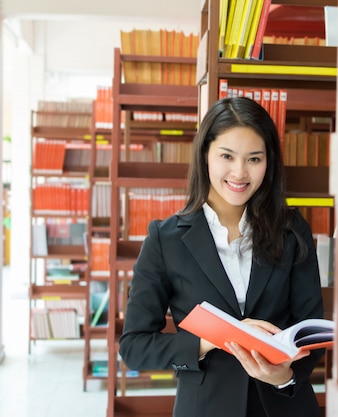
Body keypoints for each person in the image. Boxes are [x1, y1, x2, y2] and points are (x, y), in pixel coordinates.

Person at [119, 97, 325, 417]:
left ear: (268, 162)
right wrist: (215, 339)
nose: (240, 172)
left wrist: (283, 376)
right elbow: (134, 347)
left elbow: (308, 330)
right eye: (227, 156)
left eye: (254, 159)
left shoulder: (292, 231)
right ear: (205, 155)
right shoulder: (165, 239)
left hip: (284, 403)